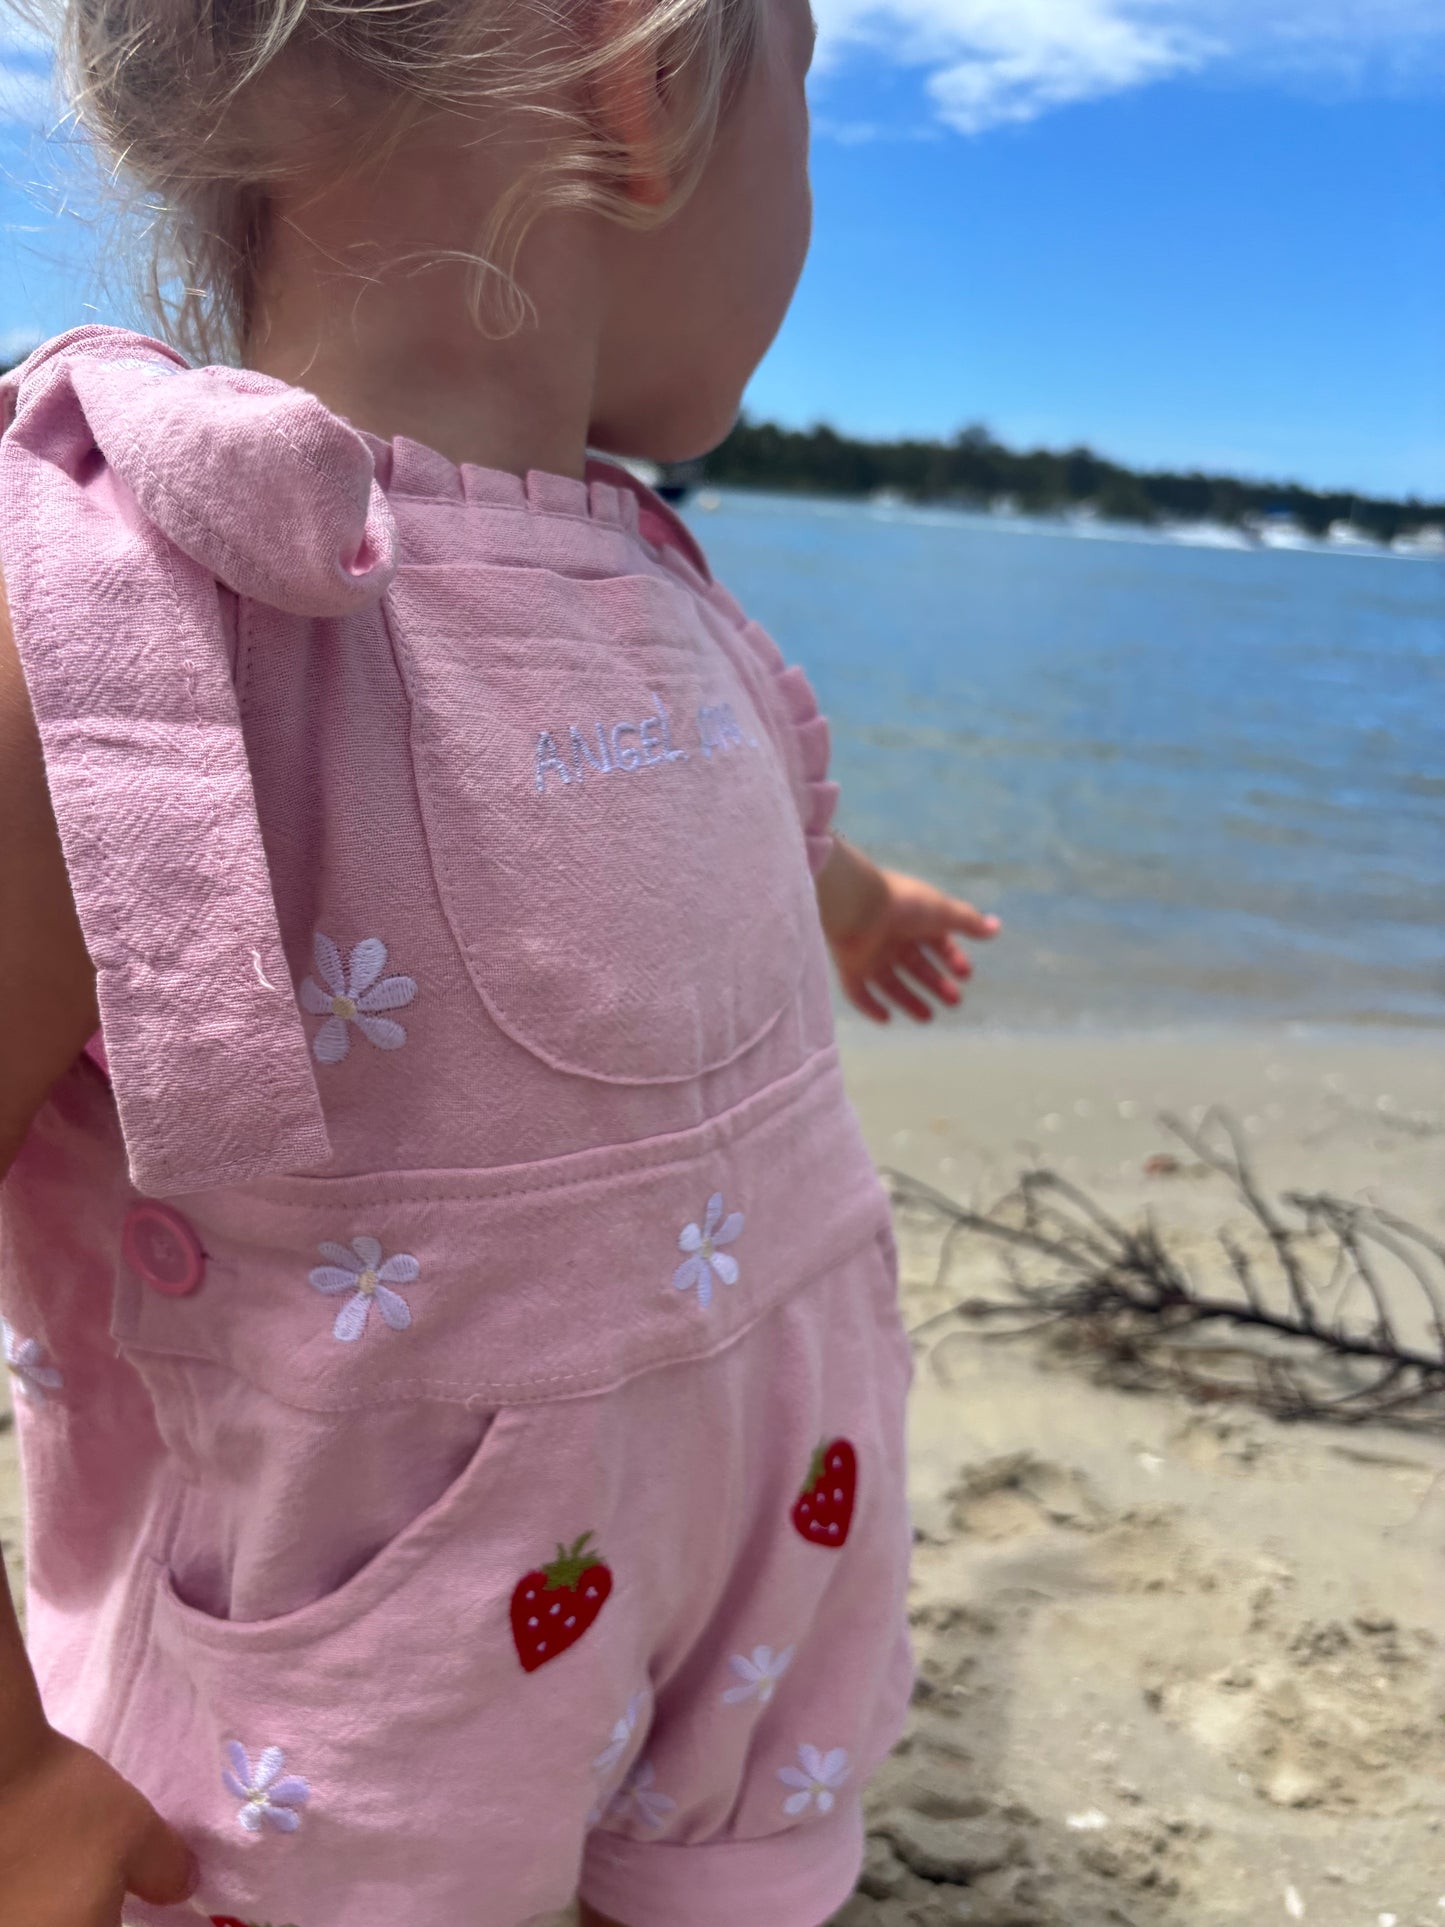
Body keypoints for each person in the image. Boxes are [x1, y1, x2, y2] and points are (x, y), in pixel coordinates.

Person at [0, 0, 1000, 1915]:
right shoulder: (138, 604)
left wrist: (862, 908)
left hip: (765, 1564)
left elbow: (741, 810)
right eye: (806, 85)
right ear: (644, 86)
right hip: (376, 1688)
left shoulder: (652, 580)